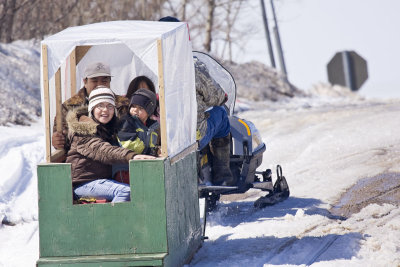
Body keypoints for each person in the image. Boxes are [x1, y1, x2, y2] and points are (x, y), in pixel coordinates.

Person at [159, 16, 235, 186]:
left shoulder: (150, 66)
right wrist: (223, 97)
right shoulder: (192, 66)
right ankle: (223, 176)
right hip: (191, 135)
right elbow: (215, 96)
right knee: (221, 114)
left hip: (161, 135)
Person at [65, 86, 155, 203]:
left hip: (103, 181)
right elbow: (103, 150)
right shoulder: (83, 131)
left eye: (109, 106)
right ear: (92, 109)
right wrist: (131, 156)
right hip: (83, 183)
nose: (105, 110)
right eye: (100, 106)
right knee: (125, 191)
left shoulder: (111, 128)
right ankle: (113, 221)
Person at [52, 62, 129, 150]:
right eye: (94, 80)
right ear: (85, 81)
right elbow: (62, 139)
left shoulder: (124, 104)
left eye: (104, 80)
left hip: (119, 156)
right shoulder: (69, 107)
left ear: (110, 82)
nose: (99, 84)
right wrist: (58, 141)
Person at [113, 88, 160, 183]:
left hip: (142, 166)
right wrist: (151, 151)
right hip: (125, 169)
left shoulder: (152, 127)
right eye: (133, 106)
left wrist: (157, 150)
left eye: (141, 108)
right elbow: (130, 145)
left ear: (149, 111)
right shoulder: (126, 122)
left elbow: (152, 144)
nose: (135, 110)